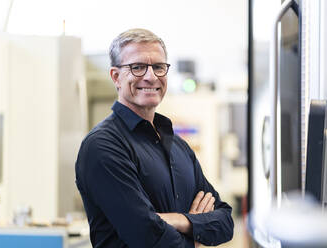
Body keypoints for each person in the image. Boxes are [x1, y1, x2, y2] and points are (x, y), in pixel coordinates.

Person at [75, 28, 234, 248]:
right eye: (137, 67)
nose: (151, 77)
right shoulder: (103, 145)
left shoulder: (179, 147)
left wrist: (180, 220)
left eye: (158, 67)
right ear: (116, 76)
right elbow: (145, 236)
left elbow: (225, 222)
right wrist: (196, 237)